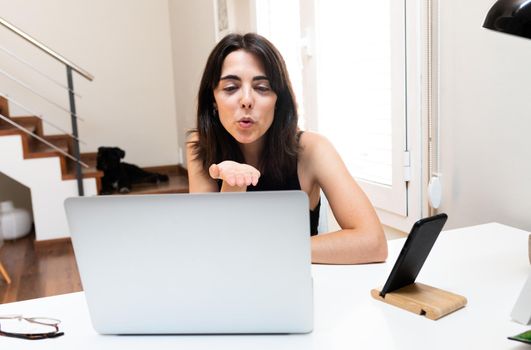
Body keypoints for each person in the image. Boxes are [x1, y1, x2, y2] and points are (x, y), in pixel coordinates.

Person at [186, 33, 387, 264]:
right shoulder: (200, 147)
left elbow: (373, 243)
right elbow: (212, 250)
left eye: (262, 87)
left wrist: (272, 248)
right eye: (231, 87)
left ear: (278, 100)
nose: (246, 100)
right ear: (213, 99)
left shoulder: (312, 149)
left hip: (301, 286)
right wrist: (232, 186)